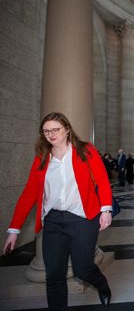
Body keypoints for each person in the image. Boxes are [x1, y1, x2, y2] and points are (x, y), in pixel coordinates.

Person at [2, 112, 113, 309]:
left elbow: (102, 180)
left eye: (56, 130)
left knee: (82, 269)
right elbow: (29, 193)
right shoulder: (42, 158)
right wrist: (14, 229)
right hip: (53, 221)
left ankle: (102, 284)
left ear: (67, 130)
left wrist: (106, 209)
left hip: (82, 218)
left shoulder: (85, 151)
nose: (51, 135)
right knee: (53, 275)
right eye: (46, 131)